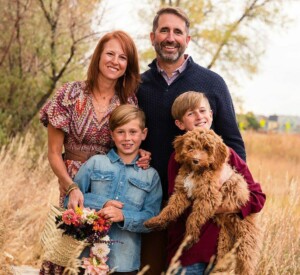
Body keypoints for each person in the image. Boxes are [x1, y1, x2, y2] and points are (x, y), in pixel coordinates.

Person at [137, 7, 246, 273]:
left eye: (177, 31)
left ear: (188, 39)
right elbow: (127, 132)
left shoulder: (212, 83)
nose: (170, 37)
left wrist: (221, 181)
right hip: (151, 200)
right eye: (164, 30)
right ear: (152, 37)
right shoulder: (138, 85)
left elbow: (233, 141)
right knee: (149, 269)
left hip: (198, 201)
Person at [39, 30, 147, 275]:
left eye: (122, 57)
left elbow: (129, 141)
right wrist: (70, 186)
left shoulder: (127, 101)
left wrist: (143, 153)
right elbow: (54, 152)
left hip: (108, 183)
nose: (115, 61)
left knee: (99, 258)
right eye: (110, 53)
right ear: (98, 56)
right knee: (65, 252)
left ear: (127, 65)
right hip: (73, 180)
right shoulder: (70, 94)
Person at [166, 91, 266, 274]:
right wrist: (213, 204)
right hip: (188, 254)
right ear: (180, 124)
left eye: (202, 110)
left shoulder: (227, 153)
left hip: (223, 255)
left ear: (211, 115)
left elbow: (258, 198)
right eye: (190, 113)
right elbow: (179, 204)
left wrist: (228, 205)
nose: (199, 116)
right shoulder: (179, 157)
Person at [66, 104, 163, 274]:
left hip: (124, 262)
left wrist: (123, 216)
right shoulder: (95, 163)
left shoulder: (151, 176)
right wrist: (102, 203)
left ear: (144, 134)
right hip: (85, 258)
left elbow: (153, 219)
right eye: (120, 132)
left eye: (133, 132)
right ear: (112, 134)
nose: (127, 138)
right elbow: (70, 201)